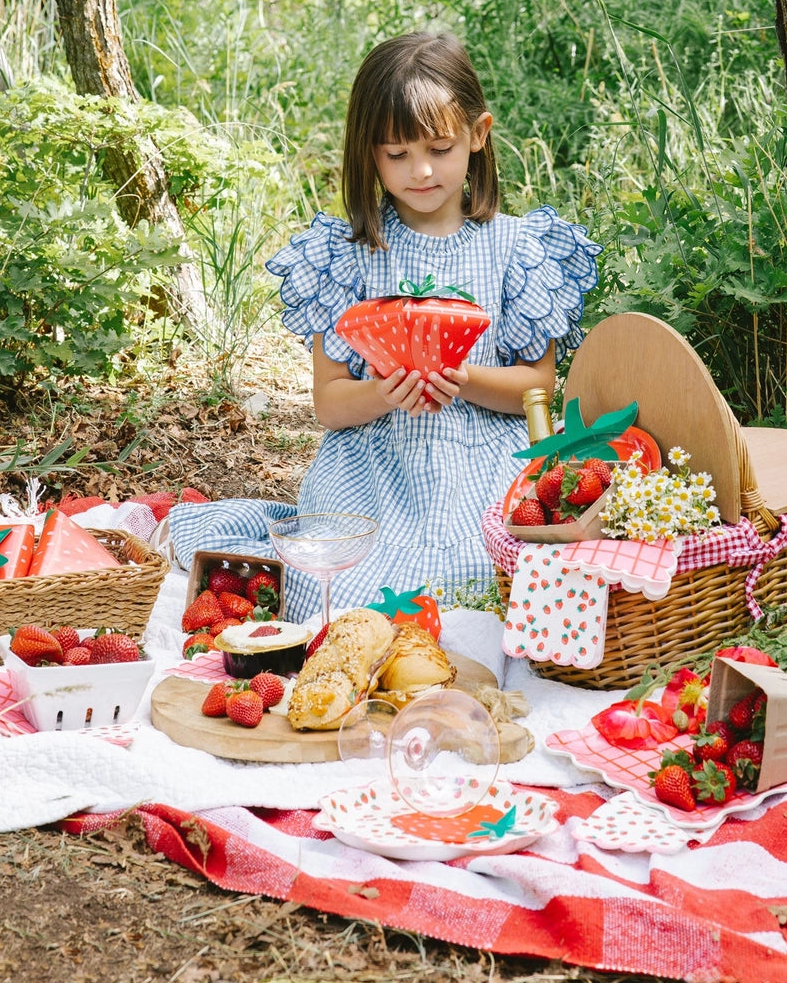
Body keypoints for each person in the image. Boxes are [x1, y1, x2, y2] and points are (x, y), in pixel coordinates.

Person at [168, 31, 600, 622]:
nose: (421, 171)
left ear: (478, 134)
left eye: (439, 148)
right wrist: (383, 392)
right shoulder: (344, 256)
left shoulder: (517, 249)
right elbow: (329, 404)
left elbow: (538, 390)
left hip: (486, 466)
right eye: (396, 155)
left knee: (484, 574)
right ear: (368, 153)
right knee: (335, 591)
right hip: (373, 467)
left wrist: (463, 377)